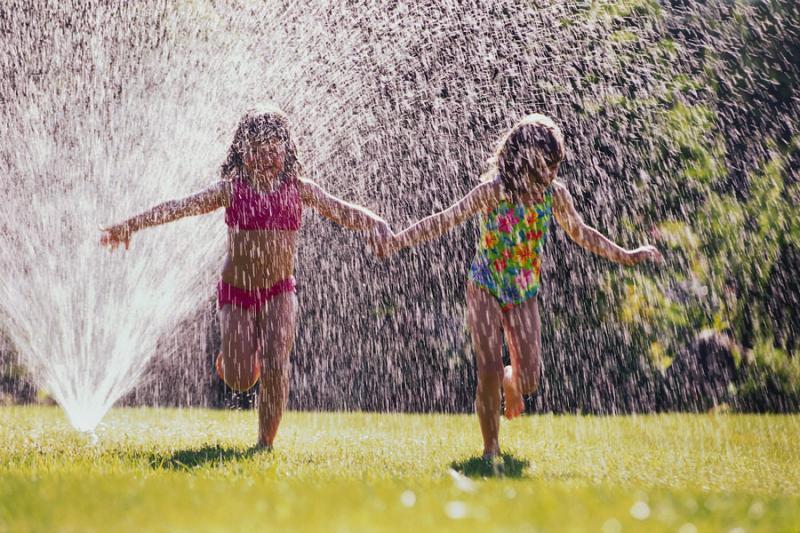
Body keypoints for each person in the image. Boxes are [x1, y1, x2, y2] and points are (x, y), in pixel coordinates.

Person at [372, 114, 662, 459]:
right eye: (544, 167)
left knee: (531, 380)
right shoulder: (495, 191)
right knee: (488, 368)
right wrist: (397, 241)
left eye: (555, 167)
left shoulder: (554, 196)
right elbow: (445, 219)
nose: (551, 175)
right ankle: (490, 449)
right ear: (522, 160)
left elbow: (582, 233)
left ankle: (513, 382)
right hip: (485, 283)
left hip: (524, 290)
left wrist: (626, 255)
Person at [101, 105, 390, 449]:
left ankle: (265, 443)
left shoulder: (299, 189)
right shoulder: (231, 190)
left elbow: (341, 209)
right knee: (239, 379)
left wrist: (374, 221)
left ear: (287, 150)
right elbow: (178, 206)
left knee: (276, 362)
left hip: (279, 291)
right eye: (256, 150)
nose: (265, 157)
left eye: (273, 148)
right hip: (237, 292)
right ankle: (235, 360)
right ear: (241, 152)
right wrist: (130, 224)